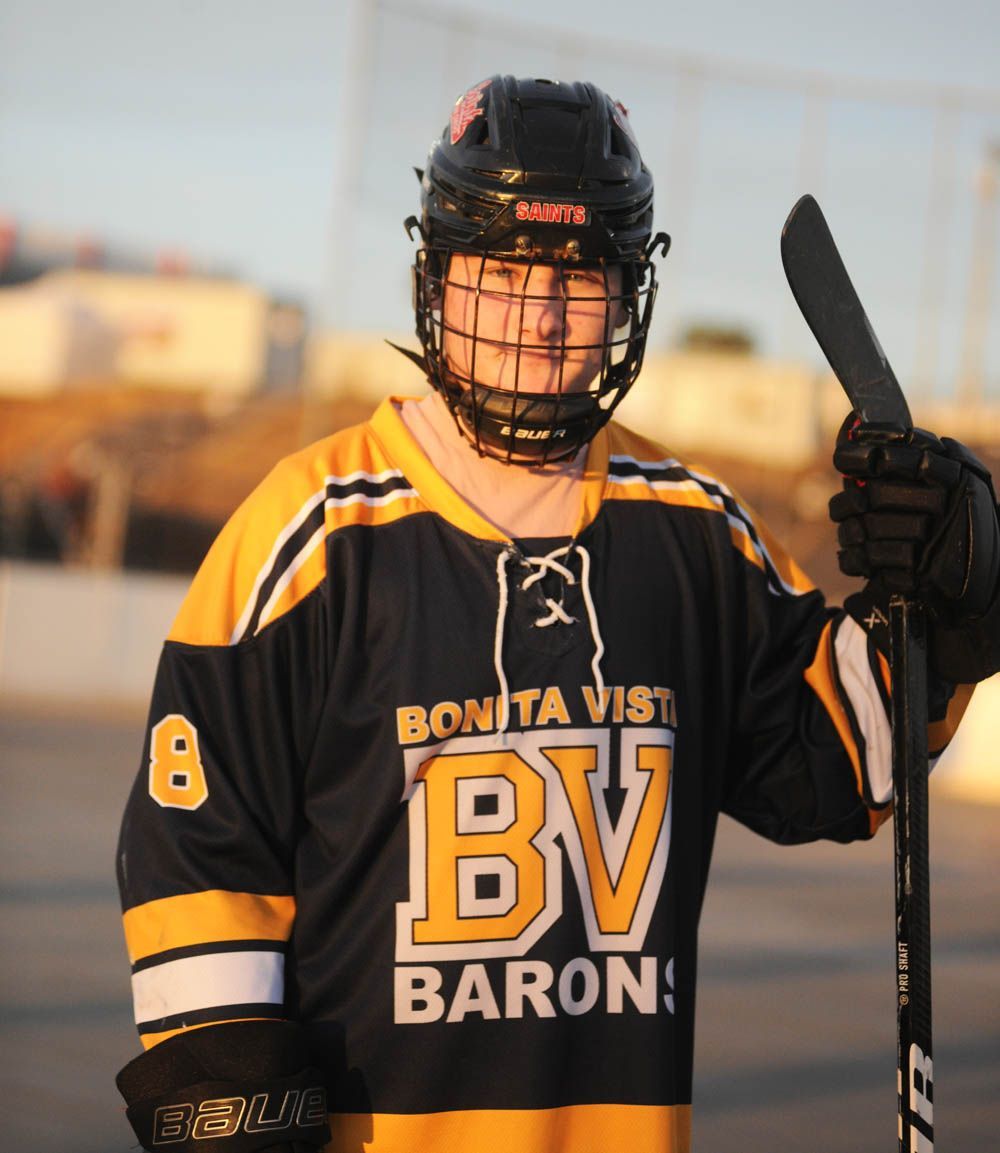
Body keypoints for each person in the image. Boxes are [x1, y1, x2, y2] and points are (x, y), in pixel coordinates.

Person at [115, 76, 1000, 1153]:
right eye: (502, 269)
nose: (538, 318)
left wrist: (952, 601)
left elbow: (847, 757)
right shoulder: (309, 537)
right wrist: (228, 1098)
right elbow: (198, 854)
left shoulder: (692, 532)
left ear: (628, 296)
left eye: (579, 276)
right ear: (438, 276)